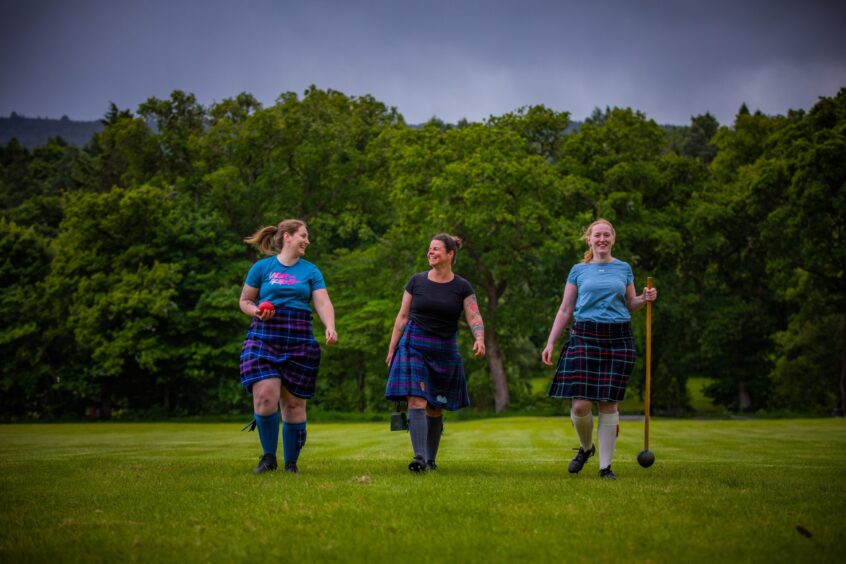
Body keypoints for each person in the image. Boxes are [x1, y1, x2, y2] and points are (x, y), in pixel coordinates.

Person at [541, 219, 657, 480]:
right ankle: (586, 448)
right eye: (597, 235)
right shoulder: (578, 270)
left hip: (618, 338)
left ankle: (605, 468)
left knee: (608, 404)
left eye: (606, 235)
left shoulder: (624, 268)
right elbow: (565, 309)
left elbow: (630, 303)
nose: (602, 239)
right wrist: (550, 342)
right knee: (581, 405)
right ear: (589, 239)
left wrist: (645, 298)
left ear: (613, 238)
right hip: (584, 336)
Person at [239, 219, 337, 474]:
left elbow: (323, 302)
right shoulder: (262, 268)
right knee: (265, 396)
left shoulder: (311, 271)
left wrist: (330, 325)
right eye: (303, 235)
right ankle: (268, 458)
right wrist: (257, 310)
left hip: (299, 336)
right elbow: (245, 300)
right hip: (264, 334)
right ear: (287, 237)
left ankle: (291, 463)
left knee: (293, 404)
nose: (307, 240)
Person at [385, 234, 485, 472]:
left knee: (435, 406)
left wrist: (479, 338)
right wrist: (392, 348)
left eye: (436, 249)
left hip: (444, 347)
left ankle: (430, 459)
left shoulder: (462, 286)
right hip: (414, 344)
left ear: (450, 254)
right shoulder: (416, 281)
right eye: (429, 249)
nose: (431, 252)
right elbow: (402, 316)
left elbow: (473, 315)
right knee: (416, 399)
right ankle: (419, 458)